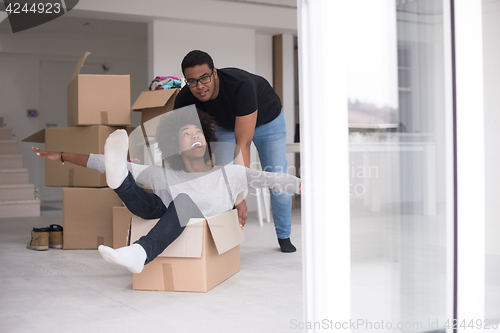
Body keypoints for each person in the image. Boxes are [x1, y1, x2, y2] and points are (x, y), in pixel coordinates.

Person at [32, 107, 301, 273]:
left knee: (182, 201)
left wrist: (303, 186)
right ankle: (119, 181)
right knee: (142, 193)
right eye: (187, 134)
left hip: (195, 215)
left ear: (205, 140)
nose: (195, 136)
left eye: (198, 132)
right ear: (175, 145)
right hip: (162, 212)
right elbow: (103, 161)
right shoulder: (166, 175)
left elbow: (271, 179)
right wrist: (63, 155)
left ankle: (140, 252)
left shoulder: (230, 173)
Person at [174, 50, 296, 252]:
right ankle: (226, 237)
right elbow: (178, 144)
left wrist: (241, 196)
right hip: (227, 126)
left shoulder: (240, 85)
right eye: (192, 81)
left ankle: (284, 235)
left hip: (268, 122)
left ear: (214, 72)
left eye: (204, 78)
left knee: (276, 179)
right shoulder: (185, 98)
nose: (200, 86)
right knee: (223, 180)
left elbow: (242, 144)